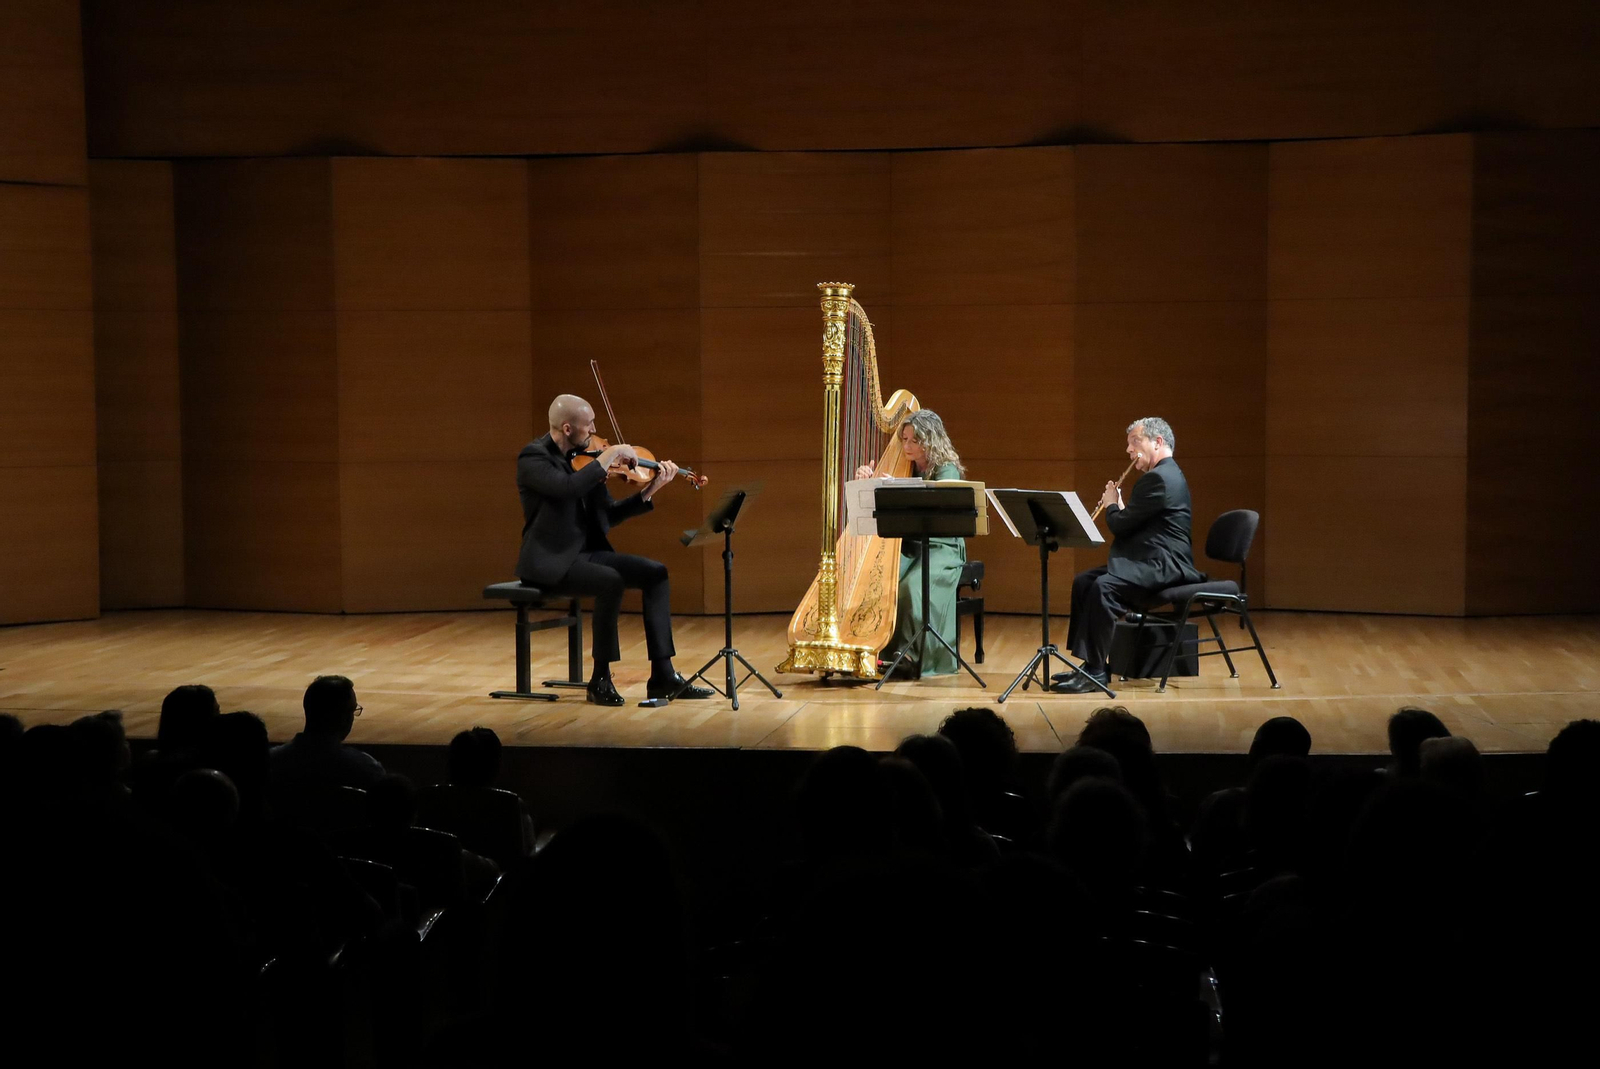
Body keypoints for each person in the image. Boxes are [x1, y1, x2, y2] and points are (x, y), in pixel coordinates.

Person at [516, 394, 710, 706]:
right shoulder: (533, 459)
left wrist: (650, 489)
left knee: (656, 573)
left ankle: (662, 675)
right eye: (588, 425)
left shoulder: (589, 459)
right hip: (551, 561)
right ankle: (600, 679)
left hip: (587, 554)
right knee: (610, 581)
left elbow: (608, 516)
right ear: (567, 429)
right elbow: (568, 488)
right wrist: (612, 454)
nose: (594, 430)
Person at [1056, 417, 1204, 693]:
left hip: (1166, 565)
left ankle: (1097, 672)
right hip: (1151, 558)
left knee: (1104, 588)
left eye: (1134, 442)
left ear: (1157, 442)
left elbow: (1120, 526)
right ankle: (1089, 665)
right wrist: (1121, 507)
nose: (1128, 450)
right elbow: (1136, 524)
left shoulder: (1158, 478)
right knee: (1084, 581)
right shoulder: (1163, 476)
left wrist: (1111, 506)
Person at [853, 410, 969, 677]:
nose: (906, 446)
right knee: (877, 579)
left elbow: (945, 519)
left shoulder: (946, 469)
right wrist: (870, 484)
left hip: (943, 547)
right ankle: (872, 649)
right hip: (910, 545)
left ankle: (910, 656)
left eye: (913, 441)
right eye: (904, 439)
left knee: (910, 587)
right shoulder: (906, 465)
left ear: (930, 440)